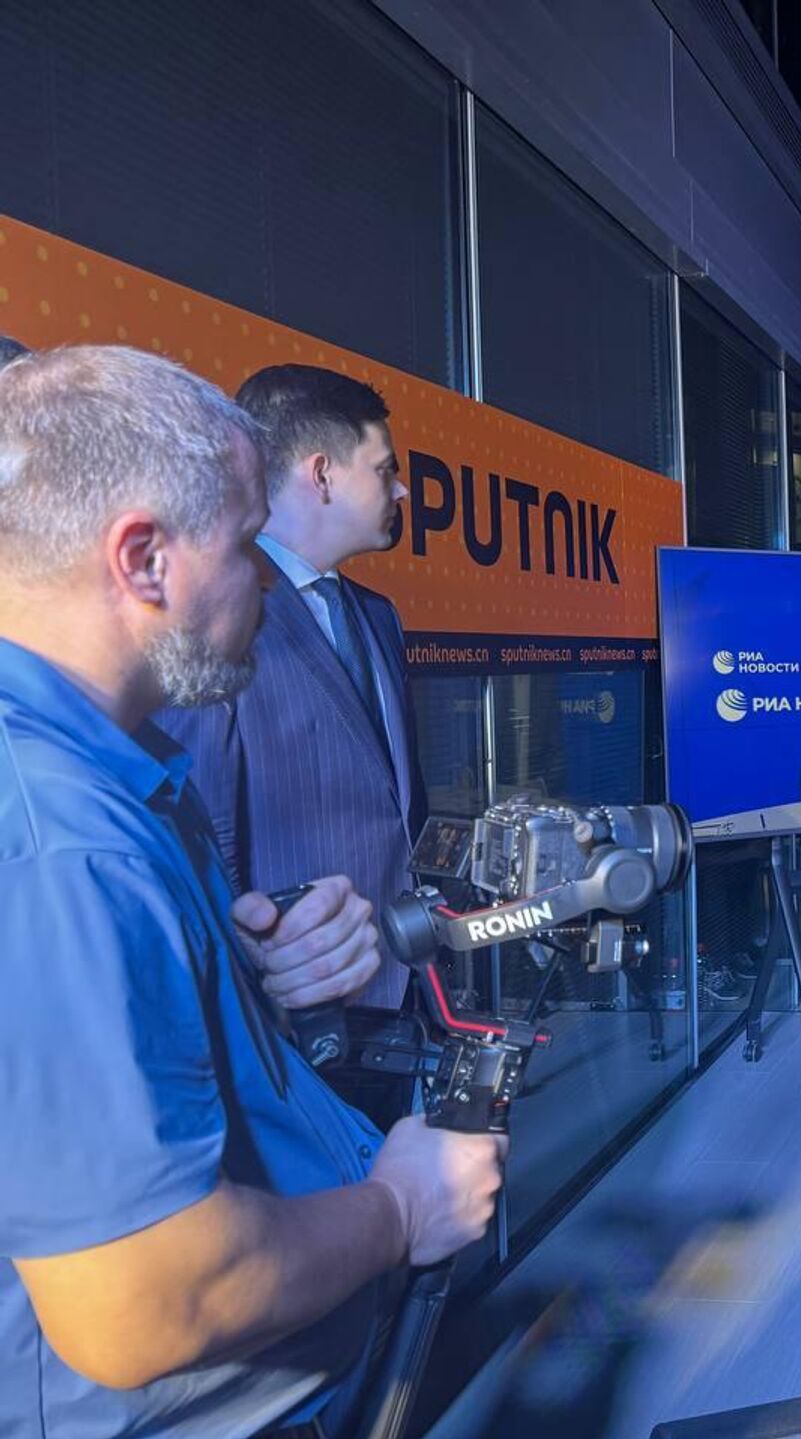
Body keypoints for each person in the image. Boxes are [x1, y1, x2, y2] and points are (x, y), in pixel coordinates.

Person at [0, 346, 503, 1437]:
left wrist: (244, 971)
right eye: (240, 544)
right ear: (144, 560)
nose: (265, 578)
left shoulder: (114, 777)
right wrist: (401, 1206)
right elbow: (150, 1302)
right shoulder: (61, 839)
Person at [158, 364, 423, 1010]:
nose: (401, 489)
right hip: (297, 1000)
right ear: (322, 474)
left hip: (408, 977)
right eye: (384, 468)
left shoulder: (378, 615)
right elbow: (200, 825)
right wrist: (251, 973)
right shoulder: (220, 613)